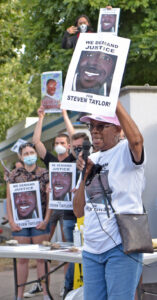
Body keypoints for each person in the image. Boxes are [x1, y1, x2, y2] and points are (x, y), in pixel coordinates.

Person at [73, 100, 145, 300]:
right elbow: (78, 211)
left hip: (121, 246)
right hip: (92, 248)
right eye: (92, 126)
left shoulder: (125, 151)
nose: (94, 131)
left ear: (117, 130)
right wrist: (84, 176)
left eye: (101, 126)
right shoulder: (91, 159)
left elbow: (137, 141)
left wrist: (114, 100)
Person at [7, 142, 52, 300]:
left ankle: (46, 293)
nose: (29, 156)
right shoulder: (13, 175)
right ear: (20, 156)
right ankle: (18, 295)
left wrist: (46, 220)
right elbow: (9, 201)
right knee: (22, 259)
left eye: (31, 152)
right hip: (21, 225)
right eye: (25, 154)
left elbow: (50, 199)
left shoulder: (45, 173)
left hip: (40, 223)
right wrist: (12, 221)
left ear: (36, 154)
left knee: (41, 259)